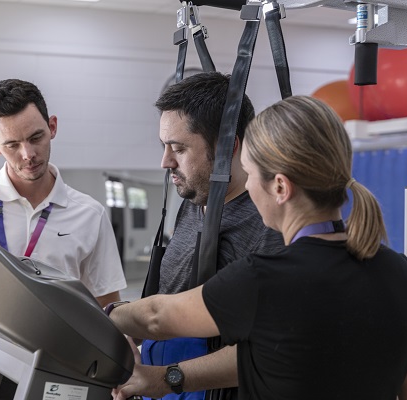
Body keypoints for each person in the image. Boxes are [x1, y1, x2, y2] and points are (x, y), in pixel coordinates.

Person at [109, 96, 407, 400]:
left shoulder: (262, 279)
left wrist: (108, 313)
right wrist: (165, 377)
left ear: (280, 186)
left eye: (251, 173)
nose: (249, 185)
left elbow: (156, 318)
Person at [116, 72, 285, 400]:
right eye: (164, 146)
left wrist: (164, 377)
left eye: (177, 148)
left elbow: (269, 349)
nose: (165, 162)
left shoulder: (269, 227)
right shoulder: (194, 202)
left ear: (227, 149)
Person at [0, 79, 126, 308]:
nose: (28, 154)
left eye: (36, 138)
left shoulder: (90, 214)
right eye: (12, 145)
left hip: (59, 343)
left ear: (52, 127)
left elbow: (107, 307)